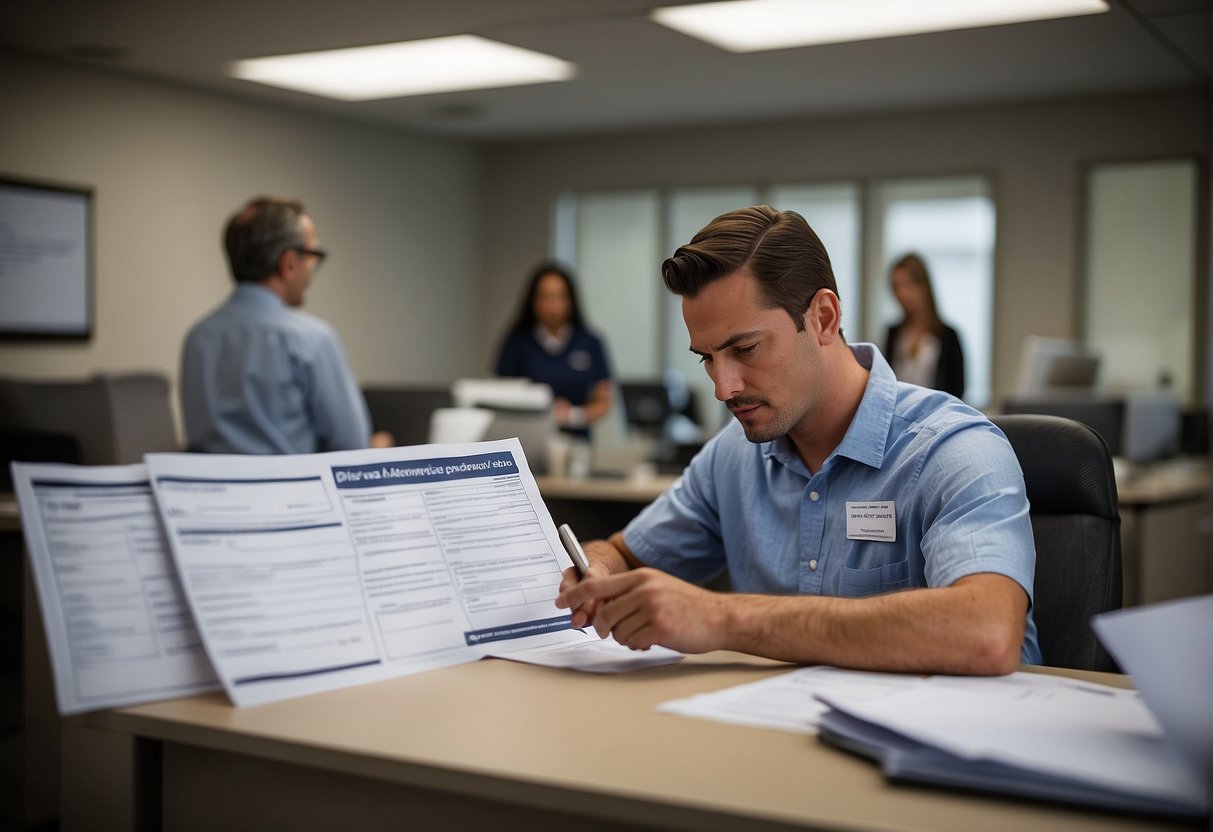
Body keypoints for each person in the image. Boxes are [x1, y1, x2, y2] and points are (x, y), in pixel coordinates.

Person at [556, 206, 1040, 676]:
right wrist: (597, 570)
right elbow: (623, 553)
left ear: (824, 318)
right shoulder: (733, 455)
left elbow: (987, 633)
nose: (723, 388)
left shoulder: (953, 452)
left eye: (745, 349)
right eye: (706, 357)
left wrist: (724, 618)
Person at [181, 196, 392, 454]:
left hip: (208, 494)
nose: (312, 269)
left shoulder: (198, 338)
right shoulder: (311, 340)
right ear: (289, 263)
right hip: (296, 495)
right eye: (313, 254)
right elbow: (351, 449)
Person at [495, 261, 613, 436]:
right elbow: (502, 396)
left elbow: (604, 399)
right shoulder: (517, 341)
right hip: (528, 438)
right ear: (533, 301)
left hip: (576, 442)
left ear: (571, 300)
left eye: (559, 296)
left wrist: (574, 416)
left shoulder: (589, 341)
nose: (553, 305)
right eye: (545, 297)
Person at [883, 253, 965, 399]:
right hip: (899, 416)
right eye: (897, 286)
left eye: (907, 284)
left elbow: (957, 389)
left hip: (940, 416)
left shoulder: (948, 336)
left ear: (923, 285)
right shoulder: (893, 334)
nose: (902, 293)